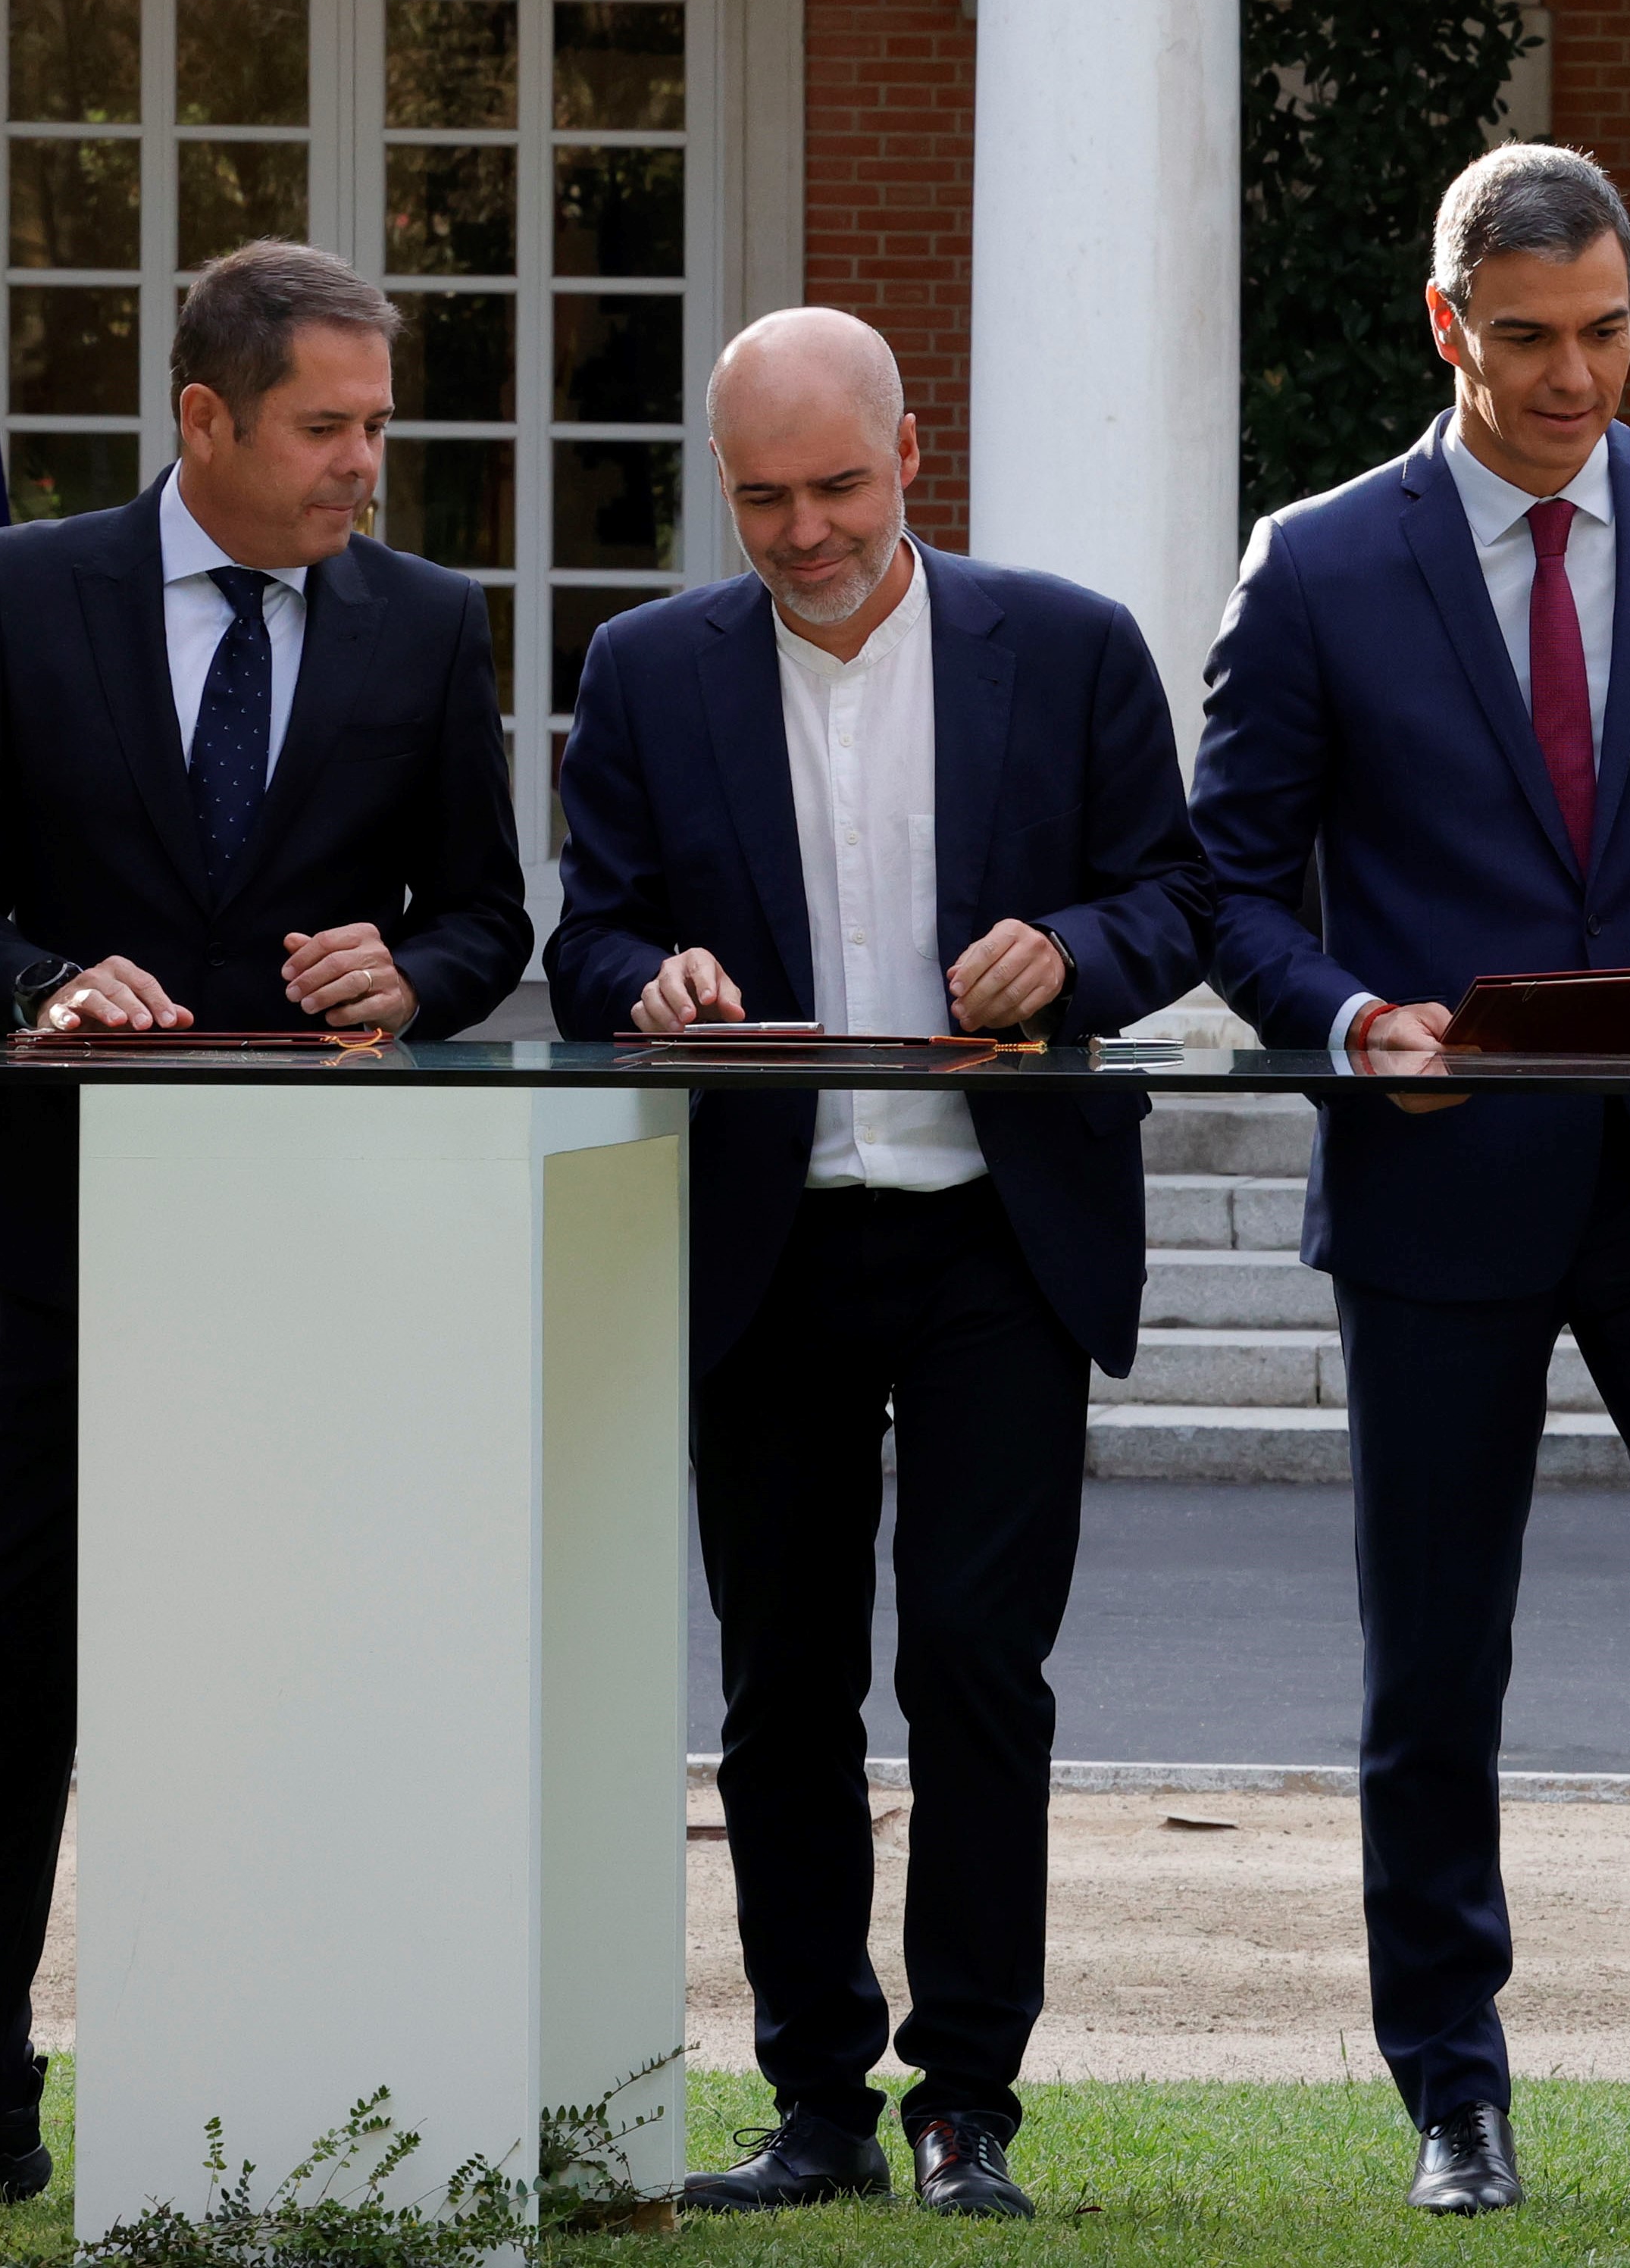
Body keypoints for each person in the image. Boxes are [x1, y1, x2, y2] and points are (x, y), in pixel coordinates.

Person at [0, 241, 533, 2221]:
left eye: (379, 425)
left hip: (330, 1240)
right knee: (12, 1666)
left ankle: (304, 2094)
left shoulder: (423, 623)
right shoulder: (20, 598)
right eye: (326, 427)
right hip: (76, 1232)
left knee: (308, 1671)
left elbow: (487, 915)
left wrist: (415, 978)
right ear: (203, 419)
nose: (366, 462)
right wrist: (38, 982)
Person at [1190, 143, 1630, 2223]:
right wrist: (1342, 1020)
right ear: (1446, 326)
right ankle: (1451, 2089)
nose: (1569, 377)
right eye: (1526, 340)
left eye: (1600, 334)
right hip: (1437, 1184)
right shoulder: (1314, 563)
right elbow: (1227, 874)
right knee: (1438, 1655)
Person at [546, 308, 1213, 2222]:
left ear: (912, 452)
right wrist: (641, 984)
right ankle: (819, 2098)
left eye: (836, 485)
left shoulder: (1068, 644)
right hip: (767, 1234)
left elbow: (1175, 898)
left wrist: (1071, 953)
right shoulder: (649, 670)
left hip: (1003, 1230)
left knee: (979, 1668)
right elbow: (592, 933)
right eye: (762, 496)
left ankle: (970, 2100)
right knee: (781, 1687)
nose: (805, 529)